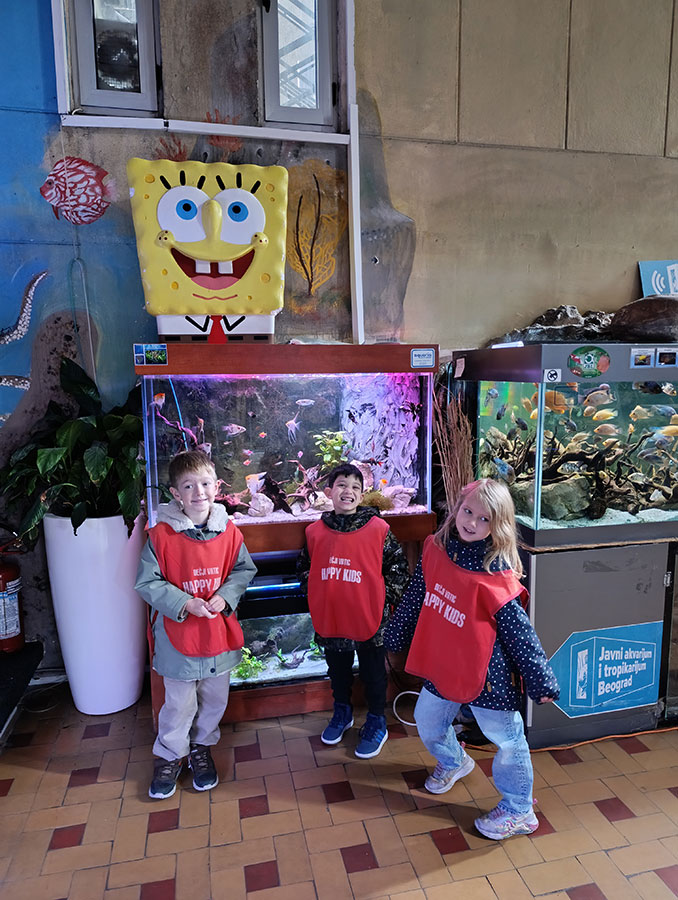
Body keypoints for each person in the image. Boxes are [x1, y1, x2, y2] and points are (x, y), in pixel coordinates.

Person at [384, 478, 559, 840]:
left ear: (498, 526)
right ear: (457, 508)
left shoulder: (496, 577)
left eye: (484, 519)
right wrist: (396, 632)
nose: (472, 523)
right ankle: (454, 761)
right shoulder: (435, 550)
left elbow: (520, 634)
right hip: (444, 662)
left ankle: (519, 810)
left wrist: (540, 678)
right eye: (468, 511)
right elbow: (417, 593)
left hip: (488, 675)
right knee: (427, 721)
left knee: (507, 740)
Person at [136, 449, 256, 799]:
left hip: (218, 633)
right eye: (188, 486)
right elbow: (147, 582)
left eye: (205, 484)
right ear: (176, 493)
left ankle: (201, 748)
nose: (198, 492)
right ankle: (171, 755)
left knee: (215, 698)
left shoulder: (230, 533)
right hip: (178, 637)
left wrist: (226, 596)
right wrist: (185, 603)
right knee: (178, 703)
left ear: (217, 487)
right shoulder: (161, 536)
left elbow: (243, 570)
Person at [297, 463, 410, 758]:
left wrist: (382, 600)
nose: (348, 491)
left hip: (370, 618)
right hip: (332, 617)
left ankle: (376, 720)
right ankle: (342, 712)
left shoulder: (379, 529)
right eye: (342, 485)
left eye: (355, 487)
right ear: (328, 492)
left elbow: (398, 569)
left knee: (374, 673)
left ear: (362, 495)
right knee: (338, 671)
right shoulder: (314, 532)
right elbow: (305, 568)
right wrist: (317, 593)